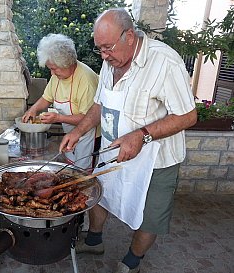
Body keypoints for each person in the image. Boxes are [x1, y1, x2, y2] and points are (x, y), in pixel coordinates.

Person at [59, 8, 197, 273]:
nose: (103, 55)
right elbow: (99, 103)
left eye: (108, 47)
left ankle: (132, 261)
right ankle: (95, 240)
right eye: (100, 48)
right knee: (100, 196)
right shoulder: (110, 59)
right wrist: (78, 131)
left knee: (150, 216)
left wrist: (141, 135)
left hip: (156, 159)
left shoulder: (164, 62)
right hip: (113, 149)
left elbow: (188, 116)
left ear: (130, 37)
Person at [22, 33, 100, 169]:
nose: (52, 73)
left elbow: (89, 118)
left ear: (67, 63)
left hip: (89, 136)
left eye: (54, 68)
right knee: (71, 168)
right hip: (70, 133)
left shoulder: (86, 80)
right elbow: (47, 98)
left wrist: (58, 117)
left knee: (83, 174)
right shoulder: (58, 76)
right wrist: (33, 109)